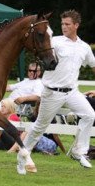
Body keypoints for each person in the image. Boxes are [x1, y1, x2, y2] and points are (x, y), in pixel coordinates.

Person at [17, 10, 95, 174]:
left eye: (67, 24)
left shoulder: (84, 47)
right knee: (40, 127)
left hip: (72, 92)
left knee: (89, 115)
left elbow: (93, 65)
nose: (64, 27)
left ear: (76, 25)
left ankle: (78, 151)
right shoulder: (55, 42)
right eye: (62, 24)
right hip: (52, 92)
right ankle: (23, 156)